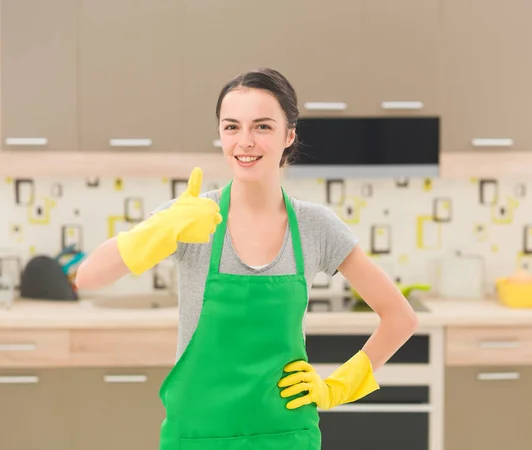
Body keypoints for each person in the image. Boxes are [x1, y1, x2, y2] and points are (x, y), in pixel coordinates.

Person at [75, 67, 418, 450]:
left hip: (285, 434)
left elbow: (400, 317)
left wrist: (336, 387)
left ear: (289, 135)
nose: (245, 142)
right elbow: (88, 277)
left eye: (262, 127)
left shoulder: (315, 226)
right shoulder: (191, 218)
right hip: (197, 435)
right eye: (232, 127)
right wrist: (164, 227)